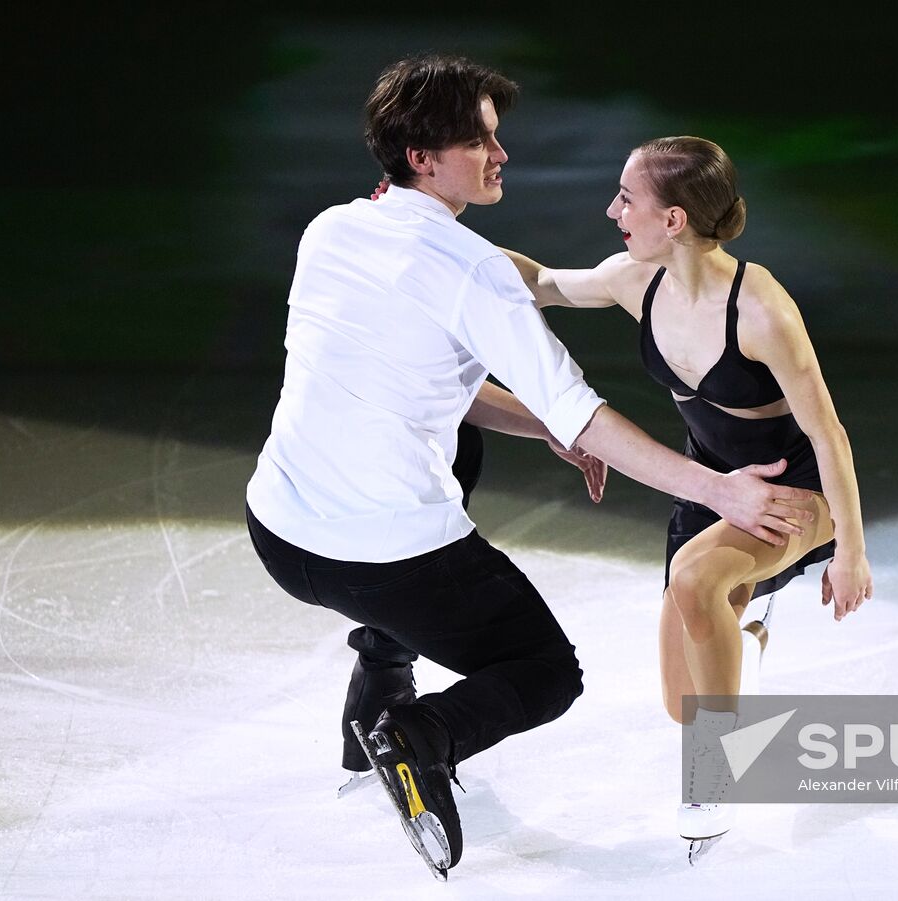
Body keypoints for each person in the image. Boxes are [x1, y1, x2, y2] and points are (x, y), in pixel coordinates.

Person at [244, 56, 818, 880]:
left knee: (463, 437)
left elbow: (426, 379)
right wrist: (718, 486)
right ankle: (420, 732)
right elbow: (583, 410)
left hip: (279, 532)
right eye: (479, 141)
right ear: (422, 157)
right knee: (546, 672)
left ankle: (378, 677)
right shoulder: (476, 269)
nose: (499, 154)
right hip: (382, 565)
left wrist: (543, 427)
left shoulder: (330, 229)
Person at [499, 136, 873, 853]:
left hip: (789, 490)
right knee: (683, 702)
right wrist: (441, 238)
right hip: (709, 488)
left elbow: (829, 434)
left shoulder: (762, 311)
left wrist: (850, 549)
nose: (613, 211)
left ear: (673, 219)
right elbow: (542, 283)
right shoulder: (633, 280)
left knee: (697, 581)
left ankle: (713, 772)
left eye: (627, 198)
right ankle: (747, 648)